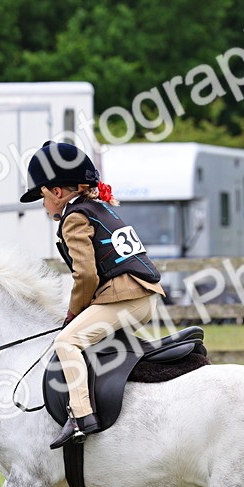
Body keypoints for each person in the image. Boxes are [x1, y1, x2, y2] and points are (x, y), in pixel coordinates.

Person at [19, 141, 165, 448]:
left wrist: (73, 313)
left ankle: (81, 416)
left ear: (57, 192)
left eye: (42, 196)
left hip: (124, 297)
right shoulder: (100, 208)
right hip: (144, 297)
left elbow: (85, 275)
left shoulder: (74, 217)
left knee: (67, 340)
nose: (43, 205)